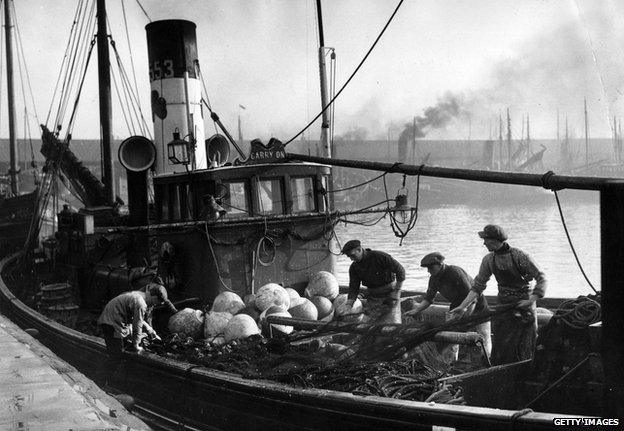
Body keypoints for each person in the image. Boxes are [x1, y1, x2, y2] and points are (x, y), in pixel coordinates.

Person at [450, 224, 547, 366]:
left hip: (524, 306)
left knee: (525, 344)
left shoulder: (519, 256)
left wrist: (531, 299)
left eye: (486, 239)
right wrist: (463, 307)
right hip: (504, 305)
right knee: (502, 345)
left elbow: (542, 278)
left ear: (495, 240)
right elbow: (478, 286)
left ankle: (524, 372)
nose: (483, 243)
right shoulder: (489, 260)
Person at [405, 252, 491, 361]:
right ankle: (450, 362)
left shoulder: (455, 272)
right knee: (452, 338)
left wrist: (463, 318)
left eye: (431, 268)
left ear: (440, 264)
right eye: (427, 268)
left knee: (483, 341)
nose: (429, 271)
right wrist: (416, 309)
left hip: (478, 309)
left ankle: (484, 362)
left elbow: (472, 298)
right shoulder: (434, 278)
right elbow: (428, 299)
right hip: (456, 308)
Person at [97, 283, 173, 384]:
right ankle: (100, 381)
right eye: (157, 302)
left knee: (118, 352)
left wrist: (149, 329)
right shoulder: (141, 303)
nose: (155, 305)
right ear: (154, 297)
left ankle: (107, 380)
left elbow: (137, 319)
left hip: (111, 321)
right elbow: (137, 325)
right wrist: (136, 345)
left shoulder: (138, 295)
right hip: (112, 324)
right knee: (116, 356)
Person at [342, 239, 405, 324]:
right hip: (373, 298)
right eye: (349, 257)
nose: (351, 259)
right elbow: (354, 287)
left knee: (391, 326)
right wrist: (348, 305)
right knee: (370, 326)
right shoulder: (354, 268)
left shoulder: (380, 256)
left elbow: (400, 271)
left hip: (390, 296)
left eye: (352, 255)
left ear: (359, 250)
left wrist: (397, 290)